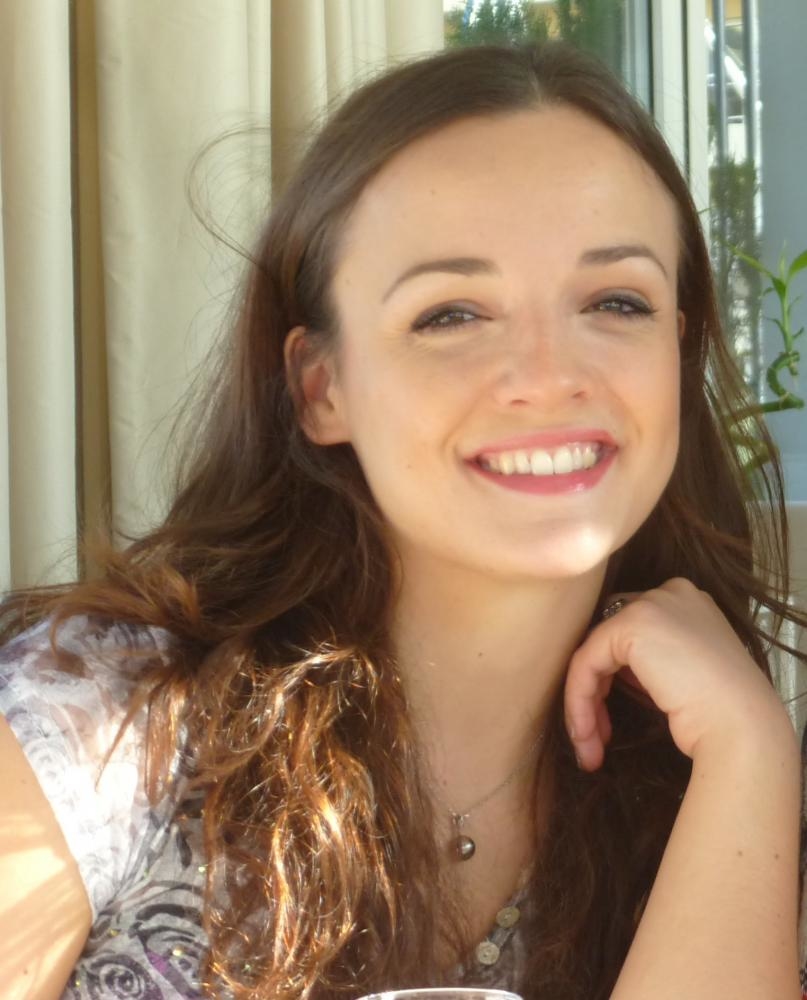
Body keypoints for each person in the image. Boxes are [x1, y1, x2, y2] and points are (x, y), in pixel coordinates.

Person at [0, 41, 804, 1000]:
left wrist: (749, 755)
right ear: (321, 387)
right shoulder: (95, 721)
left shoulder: (700, 758)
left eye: (616, 301)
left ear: (678, 349)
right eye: (450, 315)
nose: (550, 375)